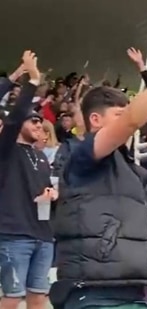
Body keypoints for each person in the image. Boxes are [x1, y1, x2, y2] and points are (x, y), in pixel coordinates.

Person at [49, 37, 147, 309]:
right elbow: (133, 118)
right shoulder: (80, 155)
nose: (128, 123)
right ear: (95, 120)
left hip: (134, 292)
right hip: (93, 294)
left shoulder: (130, 169)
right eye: (118, 114)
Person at [0, 51, 57, 309]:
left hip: (43, 234)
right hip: (14, 234)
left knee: (38, 297)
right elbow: (13, 118)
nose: (39, 124)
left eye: (41, 121)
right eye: (33, 120)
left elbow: (44, 191)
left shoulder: (42, 158)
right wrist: (31, 80)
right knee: (12, 297)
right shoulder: (6, 149)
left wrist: (53, 196)